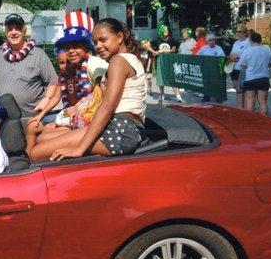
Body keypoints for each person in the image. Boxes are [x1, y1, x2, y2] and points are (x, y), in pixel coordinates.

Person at [30, 18, 147, 161]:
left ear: (120, 36)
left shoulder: (119, 61)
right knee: (42, 140)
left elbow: (107, 107)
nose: (98, 46)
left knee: (36, 153)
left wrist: (80, 149)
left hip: (120, 129)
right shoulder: (127, 59)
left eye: (103, 40)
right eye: (95, 42)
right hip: (119, 126)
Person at [0, 14, 58, 117]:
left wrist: (47, 98)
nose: (13, 32)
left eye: (17, 28)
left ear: (24, 30)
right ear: (6, 32)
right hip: (6, 121)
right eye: (10, 29)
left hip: (33, 119)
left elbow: (53, 83)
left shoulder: (38, 54)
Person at [27, 56, 108, 158]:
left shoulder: (83, 75)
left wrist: (78, 112)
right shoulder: (63, 77)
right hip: (66, 114)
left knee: (44, 135)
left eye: (68, 63)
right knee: (32, 125)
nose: (65, 66)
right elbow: (56, 98)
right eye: (61, 63)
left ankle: (37, 158)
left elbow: (92, 101)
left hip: (80, 117)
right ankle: (26, 159)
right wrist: (40, 115)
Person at [239, 32, 271, 115]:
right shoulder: (267, 49)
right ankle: (265, 121)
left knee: (250, 100)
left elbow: (243, 66)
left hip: (250, 78)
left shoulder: (247, 51)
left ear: (250, 40)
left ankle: (251, 121)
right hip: (264, 78)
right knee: (263, 101)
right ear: (260, 40)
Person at [146, 24, 179, 104]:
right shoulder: (157, 39)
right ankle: (162, 94)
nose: (166, 32)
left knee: (172, 77)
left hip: (169, 61)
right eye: (164, 30)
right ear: (161, 31)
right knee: (160, 78)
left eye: (167, 30)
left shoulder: (171, 40)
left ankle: (178, 95)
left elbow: (174, 50)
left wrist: (164, 51)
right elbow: (146, 45)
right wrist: (155, 52)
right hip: (159, 61)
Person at [197, 33, 225, 102]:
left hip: (216, 69)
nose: (212, 41)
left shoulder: (218, 48)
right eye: (210, 40)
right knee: (206, 82)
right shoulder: (203, 48)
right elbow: (198, 56)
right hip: (206, 69)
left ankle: (218, 97)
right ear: (207, 41)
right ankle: (206, 97)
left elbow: (222, 57)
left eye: (213, 40)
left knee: (216, 83)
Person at [228, 24, 249, 108]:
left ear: (245, 32)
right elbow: (231, 54)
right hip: (234, 67)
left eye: (240, 32)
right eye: (237, 32)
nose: (238, 33)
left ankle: (246, 108)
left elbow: (248, 55)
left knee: (244, 89)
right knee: (237, 88)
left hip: (243, 68)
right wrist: (232, 57)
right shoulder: (236, 43)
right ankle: (240, 107)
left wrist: (238, 58)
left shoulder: (248, 42)